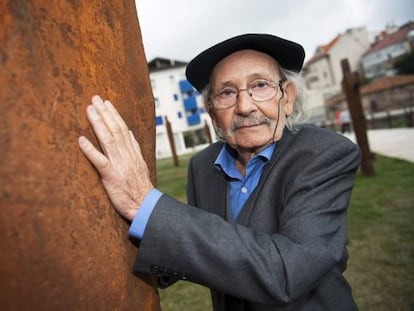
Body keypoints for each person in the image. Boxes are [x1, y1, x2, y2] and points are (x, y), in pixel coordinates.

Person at [78, 34, 361, 310]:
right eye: (226, 93)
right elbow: (202, 245)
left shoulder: (324, 154)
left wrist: (144, 203)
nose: (245, 106)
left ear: (286, 98)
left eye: (260, 85)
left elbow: (287, 272)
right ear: (212, 111)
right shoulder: (202, 166)